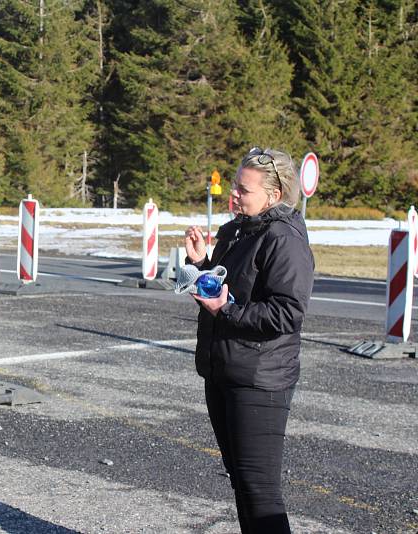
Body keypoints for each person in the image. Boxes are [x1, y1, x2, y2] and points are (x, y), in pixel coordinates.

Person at [183, 147, 314, 533]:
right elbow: (227, 286)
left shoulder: (284, 239)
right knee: (242, 483)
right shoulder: (235, 230)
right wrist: (201, 263)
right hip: (223, 371)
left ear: (273, 196)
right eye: (235, 187)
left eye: (243, 190)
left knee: (260, 492)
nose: (233, 196)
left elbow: (287, 313)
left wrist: (227, 310)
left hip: (260, 380)